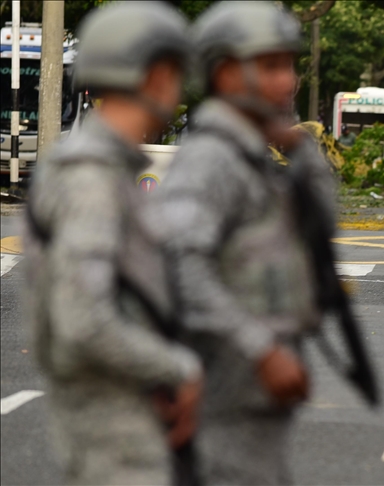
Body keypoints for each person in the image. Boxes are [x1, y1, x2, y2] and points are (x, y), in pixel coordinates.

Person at [24, 3, 203, 484]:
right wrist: (178, 367)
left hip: (123, 405)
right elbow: (83, 320)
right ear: (156, 77)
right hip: (114, 421)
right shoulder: (92, 179)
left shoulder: (101, 168)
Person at [154, 2, 316, 484]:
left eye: (289, 65)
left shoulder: (252, 154)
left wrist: (299, 150)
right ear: (224, 73)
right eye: (269, 67)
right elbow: (184, 266)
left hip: (251, 394)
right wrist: (262, 349)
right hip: (220, 390)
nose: (287, 82)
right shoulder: (211, 160)